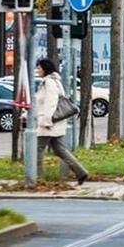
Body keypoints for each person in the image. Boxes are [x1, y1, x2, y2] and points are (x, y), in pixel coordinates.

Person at [35, 58, 88, 186]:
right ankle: (80, 172)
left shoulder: (49, 83)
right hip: (53, 122)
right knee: (59, 149)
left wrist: (47, 121)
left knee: (37, 149)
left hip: (49, 123)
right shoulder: (53, 81)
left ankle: (38, 178)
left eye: (39, 68)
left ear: (45, 69)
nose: (37, 70)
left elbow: (51, 103)